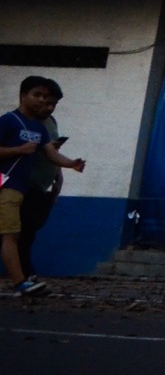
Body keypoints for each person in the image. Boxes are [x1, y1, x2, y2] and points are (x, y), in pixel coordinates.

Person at [0, 77, 82, 296]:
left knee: (14, 235)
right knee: (10, 235)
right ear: (23, 95)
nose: (42, 101)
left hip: (19, 187)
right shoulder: (8, 120)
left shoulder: (40, 127)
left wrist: (71, 163)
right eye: (37, 95)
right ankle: (21, 283)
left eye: (46, 98)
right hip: (4, 182)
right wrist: (18, 150)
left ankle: (22, 281)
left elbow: (51, 153)